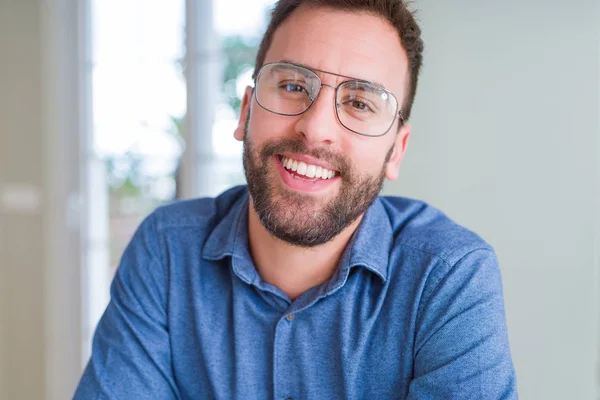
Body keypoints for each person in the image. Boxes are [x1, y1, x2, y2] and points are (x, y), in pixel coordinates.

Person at [74, 0, 518, 398]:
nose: (316, 127)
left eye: (361, 103)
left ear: (395, 151)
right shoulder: (166, 249)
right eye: (292, 86)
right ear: (247, 111)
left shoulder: (448, 276)